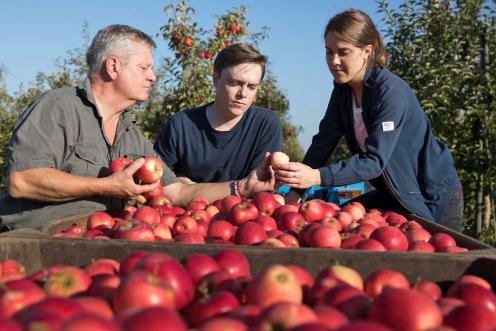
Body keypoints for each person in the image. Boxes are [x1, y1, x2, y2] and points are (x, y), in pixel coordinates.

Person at [0, 25, 274, 231]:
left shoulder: (130, 133)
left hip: (96, 237)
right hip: (35, 240)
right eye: (144, 67)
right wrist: (107, 186)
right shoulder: (58, 107)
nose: (153, 76)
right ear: (113, 67)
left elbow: (174, 192)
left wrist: (242, 187)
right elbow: (22, 181)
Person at [274, 9, 464, 231]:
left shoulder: (390, 92)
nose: (334, 61)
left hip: (431, 192)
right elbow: (322, 143)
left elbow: (373, 162)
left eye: (343, 52)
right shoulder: (343, 93)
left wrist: (317, 177)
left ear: (366, 51)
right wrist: (296, 191)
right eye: (329, 52)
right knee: (345, 222)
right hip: (393, 191)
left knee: (434, 258)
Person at [154, 43, 282, 184]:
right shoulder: (180, 125)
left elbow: (257, 186)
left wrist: (187, 186)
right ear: (215, 79)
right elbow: (157, 182)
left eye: (252, 87)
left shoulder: (265, 124)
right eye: (234, 83)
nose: (243, 94)